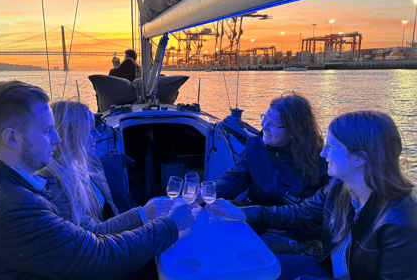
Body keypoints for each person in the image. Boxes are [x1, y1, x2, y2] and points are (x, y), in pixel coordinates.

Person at [0, 80, 196, 280]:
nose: (56, 139)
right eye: (46, 130)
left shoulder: (2, 183)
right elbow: (98, 257)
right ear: (11, 139)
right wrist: (171, 225)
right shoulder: (12, 206)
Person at [208, 110, 417, 280]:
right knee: (254, 269)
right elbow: (300, 213)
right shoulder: (340, 187)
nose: (323, 153)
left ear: (359, 159)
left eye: (332, 146)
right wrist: (244, 213)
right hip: (326, 268)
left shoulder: (401, 221)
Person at [212, 92, 329, 254]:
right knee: (213, 233)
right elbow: (235, 178)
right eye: (264, 118)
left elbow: (309, 215)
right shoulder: (254, 146)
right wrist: (207, 193)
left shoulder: (319, 160)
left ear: (294, 130)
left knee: (243, 250)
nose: (264, 127)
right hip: (255, 218)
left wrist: (252, 214)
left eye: (273, 124)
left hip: (294, 231)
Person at [37, 100, 172, 234]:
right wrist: (143, 214)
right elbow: (92, 234)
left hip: (113, 239)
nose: (97, 134)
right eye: (89, 130)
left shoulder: (87, 163)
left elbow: (109, 213)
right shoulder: (54, 185)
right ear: (70, 136)